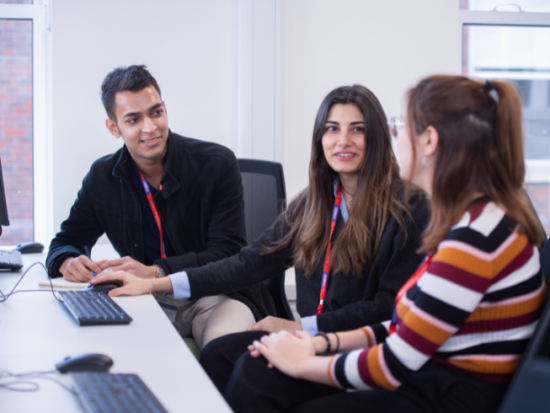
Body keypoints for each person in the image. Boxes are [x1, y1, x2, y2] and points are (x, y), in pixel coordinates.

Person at [217, 75, 547, 413]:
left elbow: (392, 364)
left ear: (429, 140)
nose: (395, 137)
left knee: (264, 378)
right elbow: (407, 325)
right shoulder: (480, 222)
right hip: (429, 375)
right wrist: (322, 341)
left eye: (401, 125)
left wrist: (302, 361)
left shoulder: (475, 242)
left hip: (439, 392)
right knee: (256, 369)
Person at [91, 84, 430, 383]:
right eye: (332, 129)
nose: (343, 141)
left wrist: (300, 329)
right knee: (221, 356)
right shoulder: (312, 205)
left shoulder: (408, 208)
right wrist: (154, 282)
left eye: (357, 129)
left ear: (377, 137)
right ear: (320, 139)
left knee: (252, 378)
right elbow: (245, 264)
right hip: (310, 340)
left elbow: (387, 308)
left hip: (362, 348)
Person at [46, 65, 256, 349]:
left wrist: (157, 271)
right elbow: (65, 242)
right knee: (105, 348)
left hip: (212, 295)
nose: (150, 127)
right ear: (113, 127)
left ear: (165, 109)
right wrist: (67, 261)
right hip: (144, 299)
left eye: (156, 112)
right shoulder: (102, 177)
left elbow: (229, 252)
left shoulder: (216, 164)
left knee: (228, 352)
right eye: (133, 119)